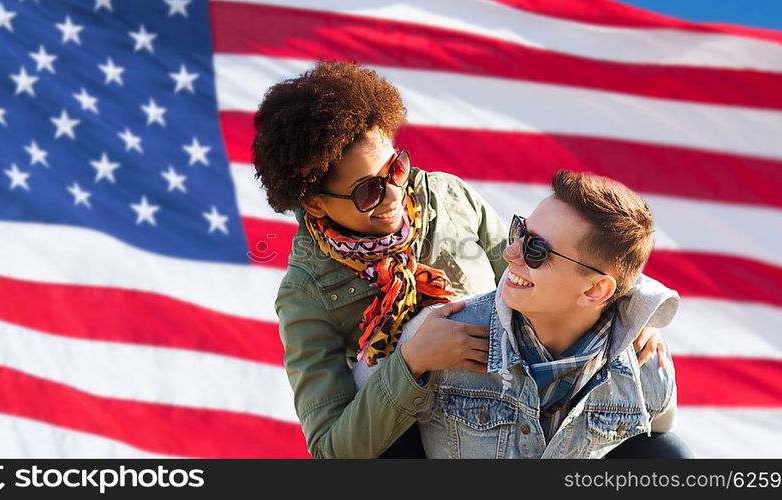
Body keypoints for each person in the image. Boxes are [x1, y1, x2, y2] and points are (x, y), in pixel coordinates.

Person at [254, 61, 669, 458]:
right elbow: (332, 450)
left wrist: (625, 315)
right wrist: (412, 363)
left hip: (520, 410)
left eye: (396, 169)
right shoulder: (306, 294)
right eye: (368, 192)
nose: (395, 196)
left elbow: (541, 274)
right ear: (315, 202)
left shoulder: (450, 199)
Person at [357, 170, 690, 458]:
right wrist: (411, 363)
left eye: (537, 250)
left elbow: (658, 440)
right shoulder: (440, 335)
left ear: (595, 291)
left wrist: (636, 317)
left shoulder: (646, 364)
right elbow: (354, 436)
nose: (510, 253)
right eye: (520, 231)